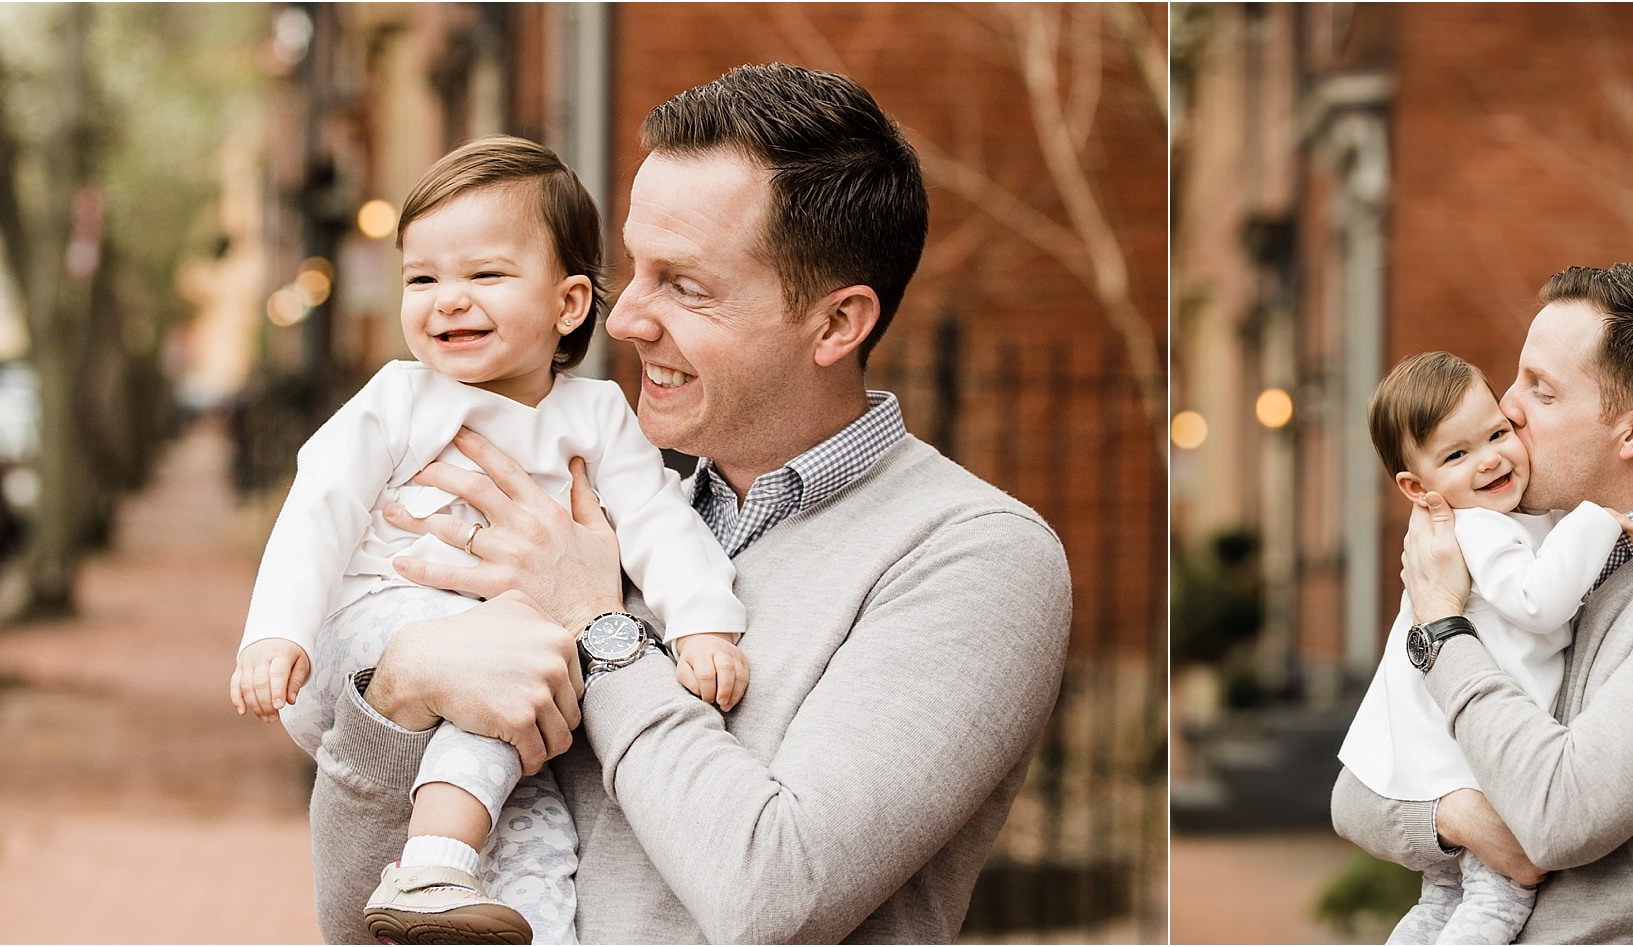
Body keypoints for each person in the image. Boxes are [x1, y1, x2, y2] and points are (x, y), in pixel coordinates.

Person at [302, 62, 1073, 944]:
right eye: (634, 268)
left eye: (686, 284)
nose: (624, 317)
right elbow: (356, 928)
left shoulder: (974, 558)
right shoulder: (613, 518)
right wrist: (403, 687)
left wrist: (602, 629)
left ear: (837, 324)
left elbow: (774, 891)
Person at [229, 136, 750, 944]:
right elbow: (318, 507)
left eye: (484, 275)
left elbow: (657, 522)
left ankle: (514, 918)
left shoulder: (598, 416)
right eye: (422, 278)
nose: (446, 300)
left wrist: (702, 621)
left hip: (510, 679)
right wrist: (276, 632)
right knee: (507, 661)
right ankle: (430, 860)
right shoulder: (399, 399)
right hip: (373, 639)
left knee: (536, 813)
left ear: (568, 304)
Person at [1332, 264, 1633, 944]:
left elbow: (1559, 815)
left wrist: (1440, 627)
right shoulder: (1528, 550)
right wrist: (1457, 817)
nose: (1506, 408)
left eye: (1541, 390)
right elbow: (1354, 797)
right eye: (1516, 378)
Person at [1339, 351, 1633, 944]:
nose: (1491, 458)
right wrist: (1594, 522)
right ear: (1416, 487)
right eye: (1458, 455)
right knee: (1499, 898)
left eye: (1497, 433)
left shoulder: (1487, 524)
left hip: (1447, 754)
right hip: (1474, 762)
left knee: (1442, 899)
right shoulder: (1478, 529)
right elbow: (1539, 601)